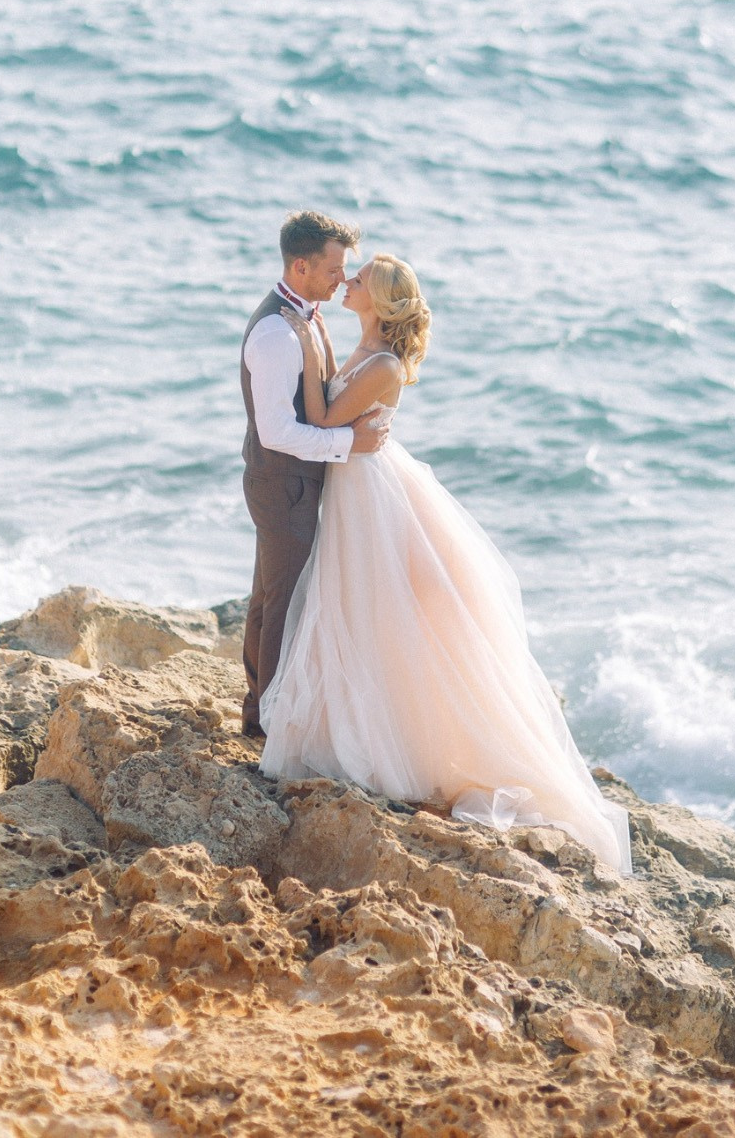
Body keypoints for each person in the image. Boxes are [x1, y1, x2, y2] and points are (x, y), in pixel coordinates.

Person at [259, 252, 632, 876]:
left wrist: (301, 345)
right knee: (353, 607)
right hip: (356, 488)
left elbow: (324, 417)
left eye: (358, 281)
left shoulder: (382, 366)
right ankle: (351, 725)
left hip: (372, 492)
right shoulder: (359, 347)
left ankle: (383, 740)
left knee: (376, 610)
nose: (346, 283)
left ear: (378, 301)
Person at [239, 210, 385, 738]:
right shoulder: (277, 332)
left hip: (290, 482)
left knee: (268, 599)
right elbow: (276, 431)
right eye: (332, 269)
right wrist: (351, 442)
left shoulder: (306, 316)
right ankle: (271, 725)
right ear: (300, 267)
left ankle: (258, 713)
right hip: (283, 483)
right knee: (283, 605)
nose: (342, 279)